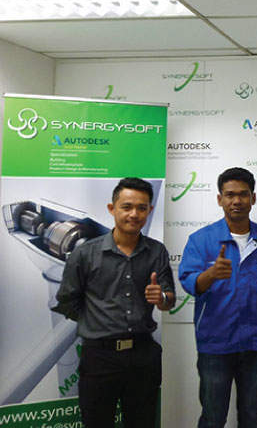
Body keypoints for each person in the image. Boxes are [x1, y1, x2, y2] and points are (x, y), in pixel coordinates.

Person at [52, 177, 175, 428]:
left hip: (143, 355)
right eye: (127, 207)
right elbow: (67, 300)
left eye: (142, 208)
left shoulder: (157, 251)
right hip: (99, 356)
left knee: (142, 422)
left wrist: (161, 298)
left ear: (150, 210)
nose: (134, 214)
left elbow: (169, 298)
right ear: (112, 208)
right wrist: (96, 320)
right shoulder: (85, 253)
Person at [179, 167, 257, 428]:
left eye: (243, 194)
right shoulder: (201, 240)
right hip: (216, 343)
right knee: (213, 419)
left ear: (253, 198)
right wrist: (211, 274)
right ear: (219, 199)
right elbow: (189, 283)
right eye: (230, 195)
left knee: (252, 418)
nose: (237, 200)